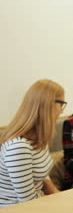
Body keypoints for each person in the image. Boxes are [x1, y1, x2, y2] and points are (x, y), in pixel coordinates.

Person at [0, 79, 64, 207]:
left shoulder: (39, 137)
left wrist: (60, 197)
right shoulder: (18, 148)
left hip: (37, 202)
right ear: (47, 105)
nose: (62, 111)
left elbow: (43, 177)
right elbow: (28, 203)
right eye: (61, 104)